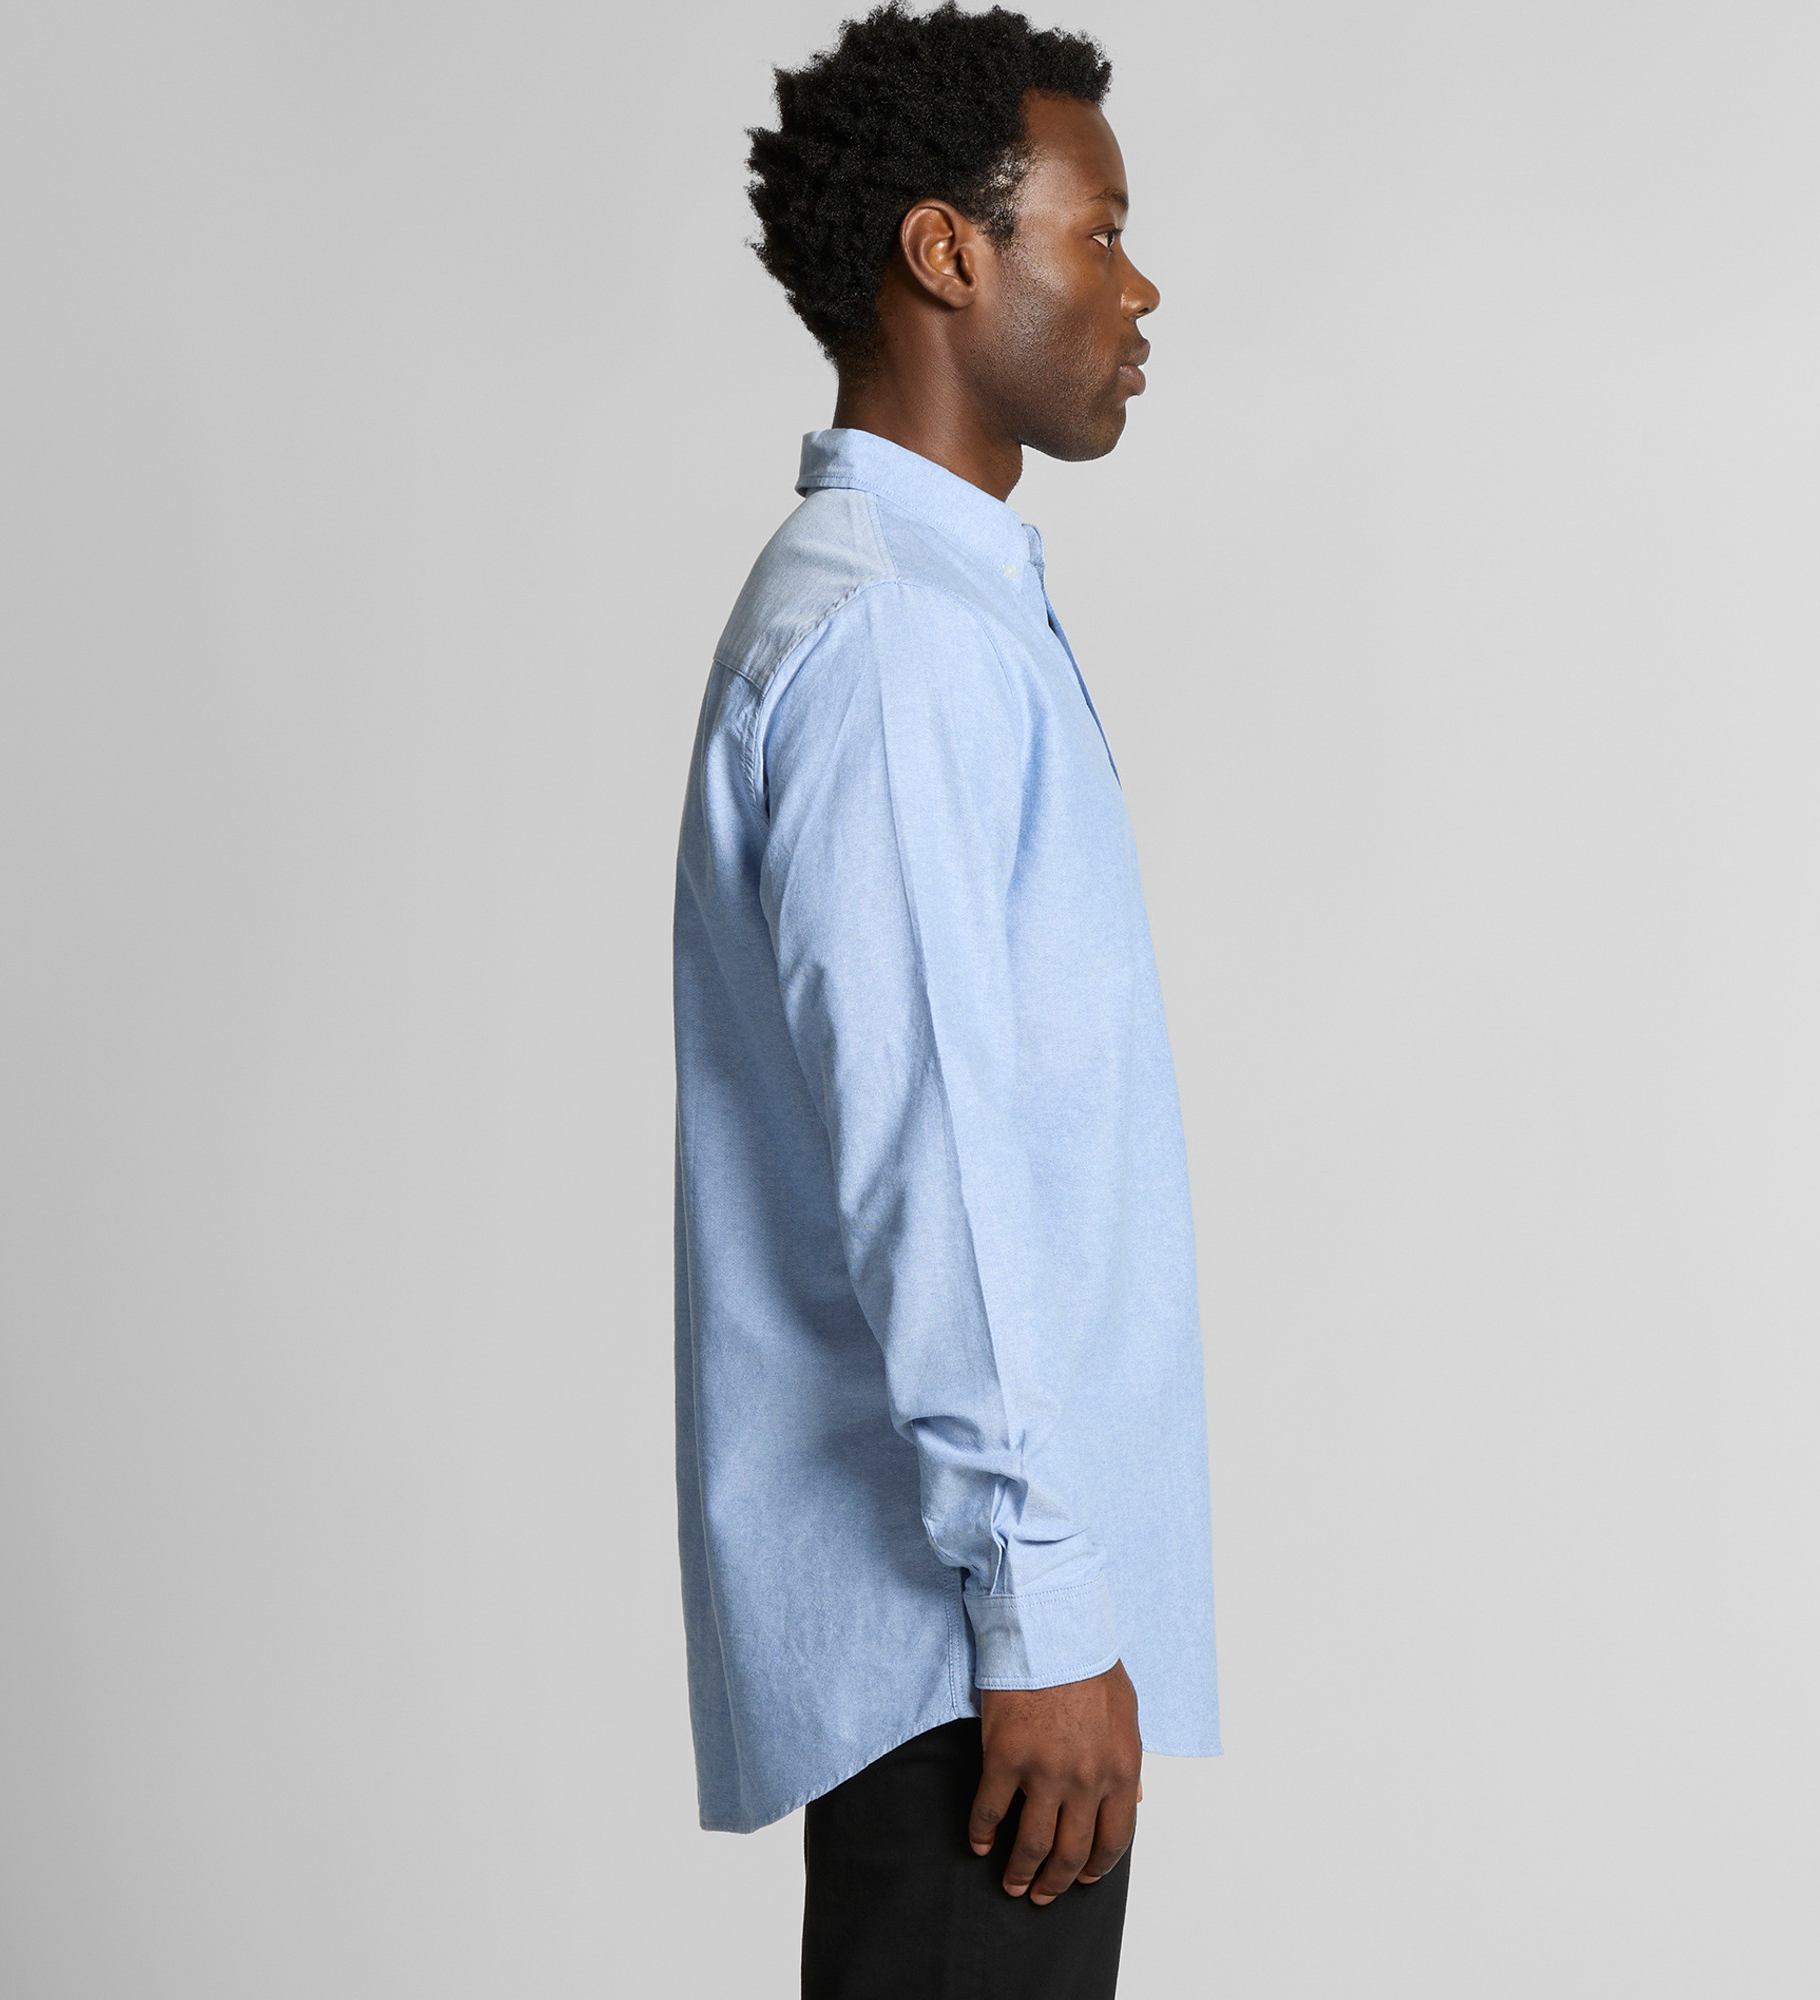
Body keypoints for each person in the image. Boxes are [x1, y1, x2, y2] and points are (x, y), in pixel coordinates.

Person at [670, 5, 1218, 1992]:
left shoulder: (936, 608)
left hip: (978, 1640)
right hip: (967, 1661)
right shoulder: (895, 641)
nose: (1139, 288)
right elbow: (934, 1156)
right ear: (947, 252)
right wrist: (1039, 1603)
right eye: (1100, 232)